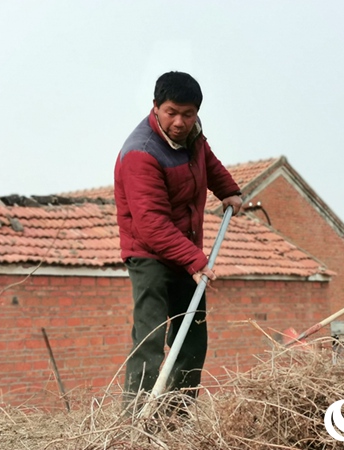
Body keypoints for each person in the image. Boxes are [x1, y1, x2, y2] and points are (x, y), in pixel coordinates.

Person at [114, 71, 242, 406]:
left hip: (185, 248)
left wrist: (228, 190)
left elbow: (207, 162)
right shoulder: (141, 153)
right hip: (148, 254)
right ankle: (135, 416)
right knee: (151, 336)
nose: (180, 122)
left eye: (188, 114)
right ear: (156, 106)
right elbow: (151, 223)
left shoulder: (193, 133)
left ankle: (177, 413)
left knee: (192, 336)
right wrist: (195, 261)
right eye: (171, 112)